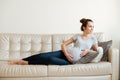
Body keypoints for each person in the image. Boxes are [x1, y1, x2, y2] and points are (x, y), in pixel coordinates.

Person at [8, 18, 98, 65]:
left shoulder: (93, 39)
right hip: (64, 53)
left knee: (50, 59)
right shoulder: (77, 36)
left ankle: (25, 63)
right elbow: (63, 44)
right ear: (84, 27)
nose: (92, 28)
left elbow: (97, 51)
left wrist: (88, 50)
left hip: (70, 62)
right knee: (42, 55)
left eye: (93, 26)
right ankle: (20, 60)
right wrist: (66, 54)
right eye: (90, 26)